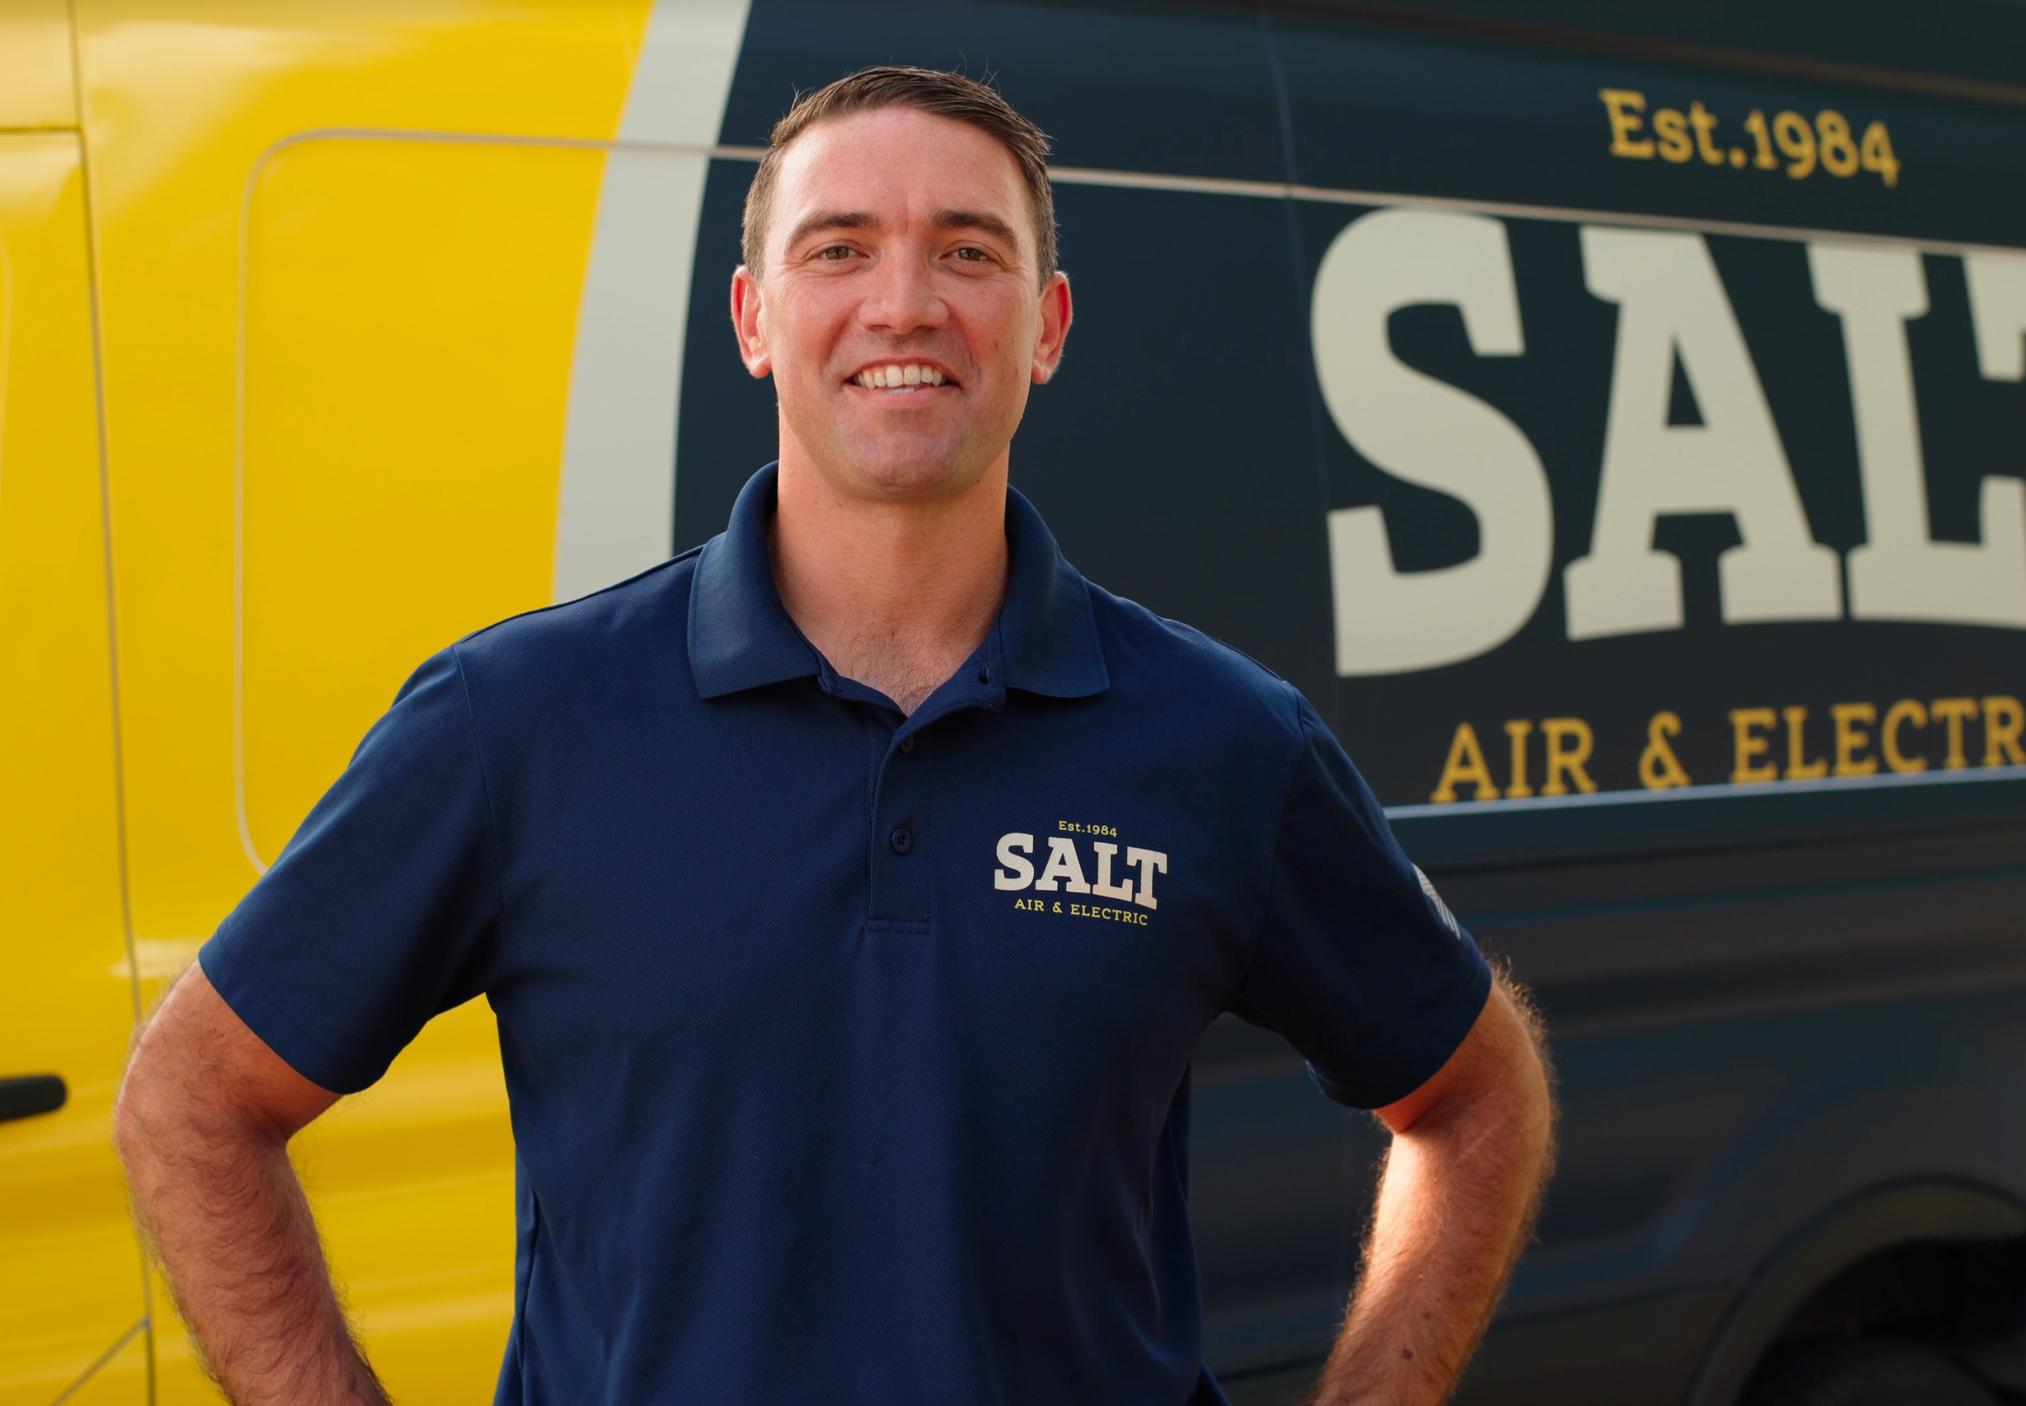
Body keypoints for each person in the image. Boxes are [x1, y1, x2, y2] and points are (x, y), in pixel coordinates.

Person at [115, 66, 1554, 1406]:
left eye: (971, 251)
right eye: (840, 247)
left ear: (1046, 329)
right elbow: (193, 1100)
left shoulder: (1220, 742)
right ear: (753, 317)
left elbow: (1475, 1095)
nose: (906, 303)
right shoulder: (521, 723)